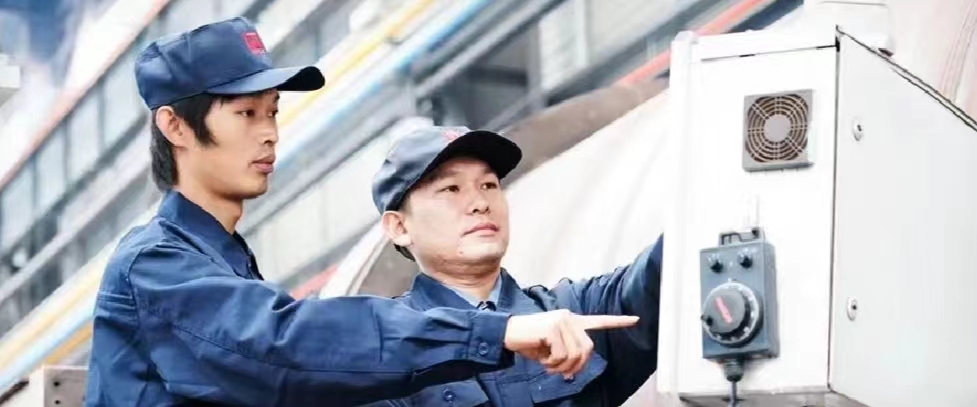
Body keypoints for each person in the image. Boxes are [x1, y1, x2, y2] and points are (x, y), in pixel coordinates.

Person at [84, 17, 639, 407]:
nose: (270, 133)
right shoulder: (155, 265)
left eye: (272, 112)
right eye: (246, 113)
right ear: (175, 126)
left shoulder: (225, 265)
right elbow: (285, 343)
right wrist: (498, 331)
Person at [367, 126, 664, 406]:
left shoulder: (577, 312)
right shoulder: (386, 357)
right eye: (451, 188)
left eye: (488, 185)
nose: (480, 203)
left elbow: (659, 273)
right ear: (399, 227)